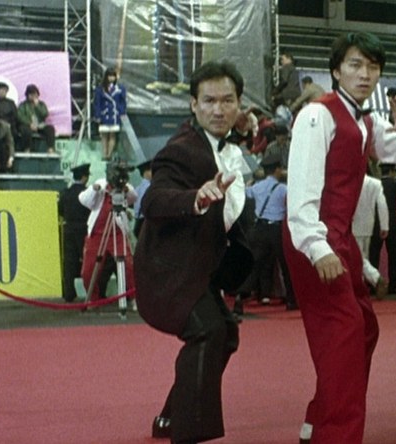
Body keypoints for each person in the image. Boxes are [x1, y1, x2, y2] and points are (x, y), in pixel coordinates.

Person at [283, 31, 396, 444]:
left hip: (340, 240)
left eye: (373, 67)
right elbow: (301, 190)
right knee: (345, 336)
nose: (365, 74)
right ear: (336, 70)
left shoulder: (366, 121)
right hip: (312, 238)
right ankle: (335, 435)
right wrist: (317, 247)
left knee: (364, 330)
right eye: (355, 65)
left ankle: (319, 420)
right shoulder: (316, 115)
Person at [134, 61, 253, 444]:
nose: (218, 110)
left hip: (198, 270)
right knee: (209, 331)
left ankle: (169, 418)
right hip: (168, 275)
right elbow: (153, 200)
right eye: (209, 101)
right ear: (193, 105)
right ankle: (188, 434)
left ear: (238, 104)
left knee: (226, 335)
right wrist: (195, 199)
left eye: (227, 101)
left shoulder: (223, 143)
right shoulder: (181, 150)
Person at [244, 153, 296, 310]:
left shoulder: (257, 187)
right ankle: (291, 300)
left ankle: (241, 298)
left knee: (255, 265)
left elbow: (245, 192)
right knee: (285, 265)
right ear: (277, 170)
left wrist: (250, 182)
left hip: (260, 228)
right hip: (276, 230)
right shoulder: (282, 189)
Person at [78, 162, 137, 302]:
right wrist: (95, 190)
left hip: (118, 233)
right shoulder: (100, 184)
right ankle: (93, 298)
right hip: (97, 234)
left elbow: (133, 198)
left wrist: (126, 190)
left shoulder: (125, 187)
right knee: (88, 270)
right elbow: (83, 199)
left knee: (129, 267)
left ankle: (135, 297)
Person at [369, 163, 396, 294]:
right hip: (392, 220)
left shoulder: (375, 184)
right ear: (392, 172)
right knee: (394, 253)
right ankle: (393, 284)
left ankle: (373, 284)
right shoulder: (395, 183)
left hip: (376, 220)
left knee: (374, 254)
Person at [58, 164, 92, 302]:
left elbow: (60, 210)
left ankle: (69, 293)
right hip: (84, 228)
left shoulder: (66, 193)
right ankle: (91, 292)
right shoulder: (87, 193)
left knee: (69, 262)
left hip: (69, 228)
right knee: (87, 261)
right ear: (84, 177)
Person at [353, 173, 389, 297]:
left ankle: (375, 277)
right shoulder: (376, 183)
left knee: (357, 259)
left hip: (353, 224)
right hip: (369, 225)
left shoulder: (351, 181)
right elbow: (382, 204)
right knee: (363, 257)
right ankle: (361, 287)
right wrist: (384, 225)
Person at [94, 68, 127, 160]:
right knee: (104, 135)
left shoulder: (120, 88)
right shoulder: (100, 89)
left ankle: (109, 154)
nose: (111, 78)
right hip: (104, 114)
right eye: (110, 76)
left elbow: (123, 102)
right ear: (106, 77)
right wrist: (97, 115)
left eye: (113, 76)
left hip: (114, 114)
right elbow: (97, 102)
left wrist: (122, 112)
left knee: (112, 135)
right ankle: (104, 153)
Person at [17, 84, 56, 153]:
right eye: (31, 94)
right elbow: (20, 116)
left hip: (40, 125)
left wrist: (37, 106)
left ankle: (50, 148)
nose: (33, 96)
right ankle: (27, 149)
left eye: (34, 94)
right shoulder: (23, 105)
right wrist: (29, 123)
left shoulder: (41, 104)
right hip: (28, 125)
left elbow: (45, 114)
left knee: (50, 129)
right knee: (25, 130)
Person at [0, 82, 19, 149]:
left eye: (5, 90)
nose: (3, 92)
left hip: (10, 125)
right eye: (1, 90)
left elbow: (15, 115)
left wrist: (9, 123)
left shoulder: (11, 103)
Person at [132, 159, 152, 238]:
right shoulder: (150, 187)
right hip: (145, 222)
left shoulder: (137, 188)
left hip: (138, 222)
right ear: (145, 173)